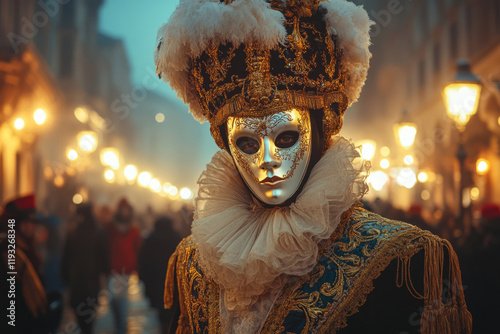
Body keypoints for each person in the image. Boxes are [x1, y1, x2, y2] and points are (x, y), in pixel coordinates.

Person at [154, 1, 472, 333]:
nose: (267, 159)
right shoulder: (195, 265)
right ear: (227, 145)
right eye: (247, 143)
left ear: (322, 129)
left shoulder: (402, 260)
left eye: (287, 137)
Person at [0, 194, 62, 333]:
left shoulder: (23, 250)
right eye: (28, 223)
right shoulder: (11, 254)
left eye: (34, 223)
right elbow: (11, 305)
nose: (33, 228)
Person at [61, 203, 109, 334]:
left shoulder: (73, 233)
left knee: (80, 317)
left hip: (77, 282)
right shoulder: (98, 232)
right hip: (91, 284)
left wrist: (65, 278)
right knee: (89, 318)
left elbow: (65, 259)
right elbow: (104, 258)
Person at [138, 216, 182, 333]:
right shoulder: (177, 238)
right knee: (173, 310)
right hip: (173, 280)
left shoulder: (151, 238)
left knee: (161, 308)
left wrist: (143, 278)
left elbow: (143, 260)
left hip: (156, 281)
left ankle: (164, 328)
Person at [105, 198, 142, 334]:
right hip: (113, 269)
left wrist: (136, 267)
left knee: (123, 300)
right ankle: (118, 324)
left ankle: (121, 328)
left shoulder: (133, 229)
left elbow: (138, 248)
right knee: (113, 300)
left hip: (126, 270)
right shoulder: (110, 228)